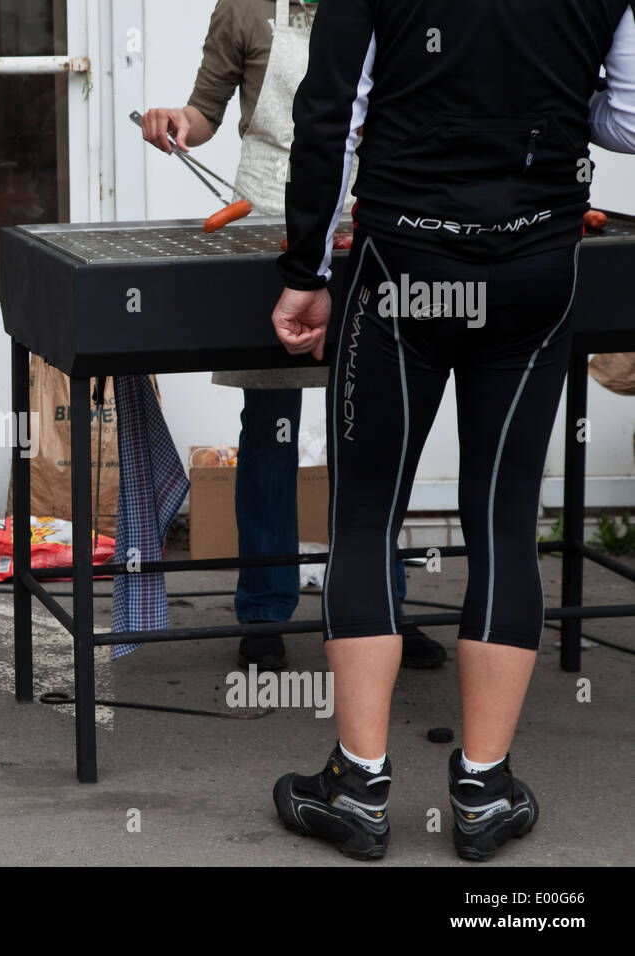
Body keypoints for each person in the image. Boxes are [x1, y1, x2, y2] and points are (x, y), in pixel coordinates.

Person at [269, 0, 635, 860]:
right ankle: (483, 788)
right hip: (535, 263)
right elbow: (626, 117)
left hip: (405, 268)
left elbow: (328, 113)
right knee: (506, 524)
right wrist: (535, 97)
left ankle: (358, 789)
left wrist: (304, 271)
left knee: (365, 516)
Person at [141, 0, 446, 672]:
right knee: (270, 420)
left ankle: (377, 608)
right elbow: (204, 113)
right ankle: (264, 607)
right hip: (268, 211)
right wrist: (174, 124)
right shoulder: (243, 9)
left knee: (373, 425)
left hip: (370, 204)